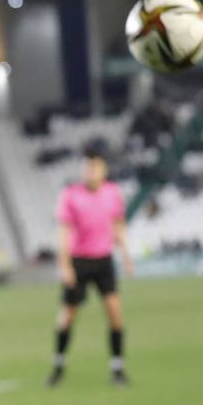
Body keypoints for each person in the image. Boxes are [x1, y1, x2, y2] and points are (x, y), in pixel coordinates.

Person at [48, 142, 134, 387]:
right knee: (68, 316)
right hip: (79, 261)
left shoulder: (112, 193)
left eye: (94, 167)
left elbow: (118, 225)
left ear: (103, 169)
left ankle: (117, 368)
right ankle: (58, 366)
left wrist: (126, 256)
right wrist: (65, 265)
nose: (90, 171)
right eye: (86, 167)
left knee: (115, 313)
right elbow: (63, 232)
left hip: (103, 260)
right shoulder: (71, 195)